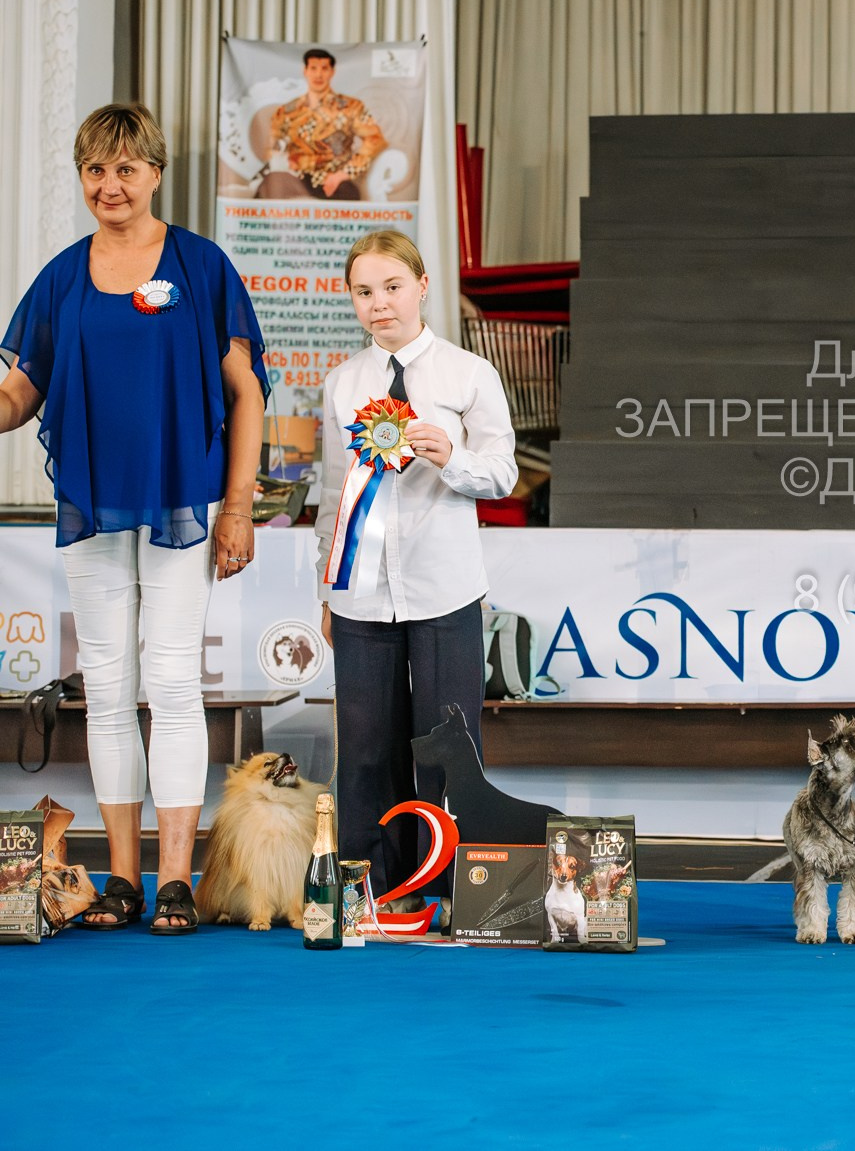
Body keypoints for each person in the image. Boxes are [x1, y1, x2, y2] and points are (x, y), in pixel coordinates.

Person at [0, 103, 268, 935]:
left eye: (126, 169)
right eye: (94, 170)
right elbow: (17, 394)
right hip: (92, 508)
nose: (109, 185)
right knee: (109, 693)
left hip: (185, 506)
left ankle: (177, 881)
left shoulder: (200, 264)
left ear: (155, 173)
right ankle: (121, 880)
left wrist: (237, 507)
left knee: (173, 685)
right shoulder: (62, 276)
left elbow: (248, 392)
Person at [315, 230, 517, 905]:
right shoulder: (342, 385)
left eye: (392, 287)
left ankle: (465, 887)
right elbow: (331, 496)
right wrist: (328, 584)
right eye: (364, 292)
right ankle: (376, 892)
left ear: (423, 285)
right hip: (362, 598)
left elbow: (504, 473)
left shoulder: (468, 374)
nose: (379, 304)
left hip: (446, 591)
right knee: (366, 752)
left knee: (447, 747)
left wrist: (450, 457)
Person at [258, 48, 388, 201]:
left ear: (332, 72)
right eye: (313, 68)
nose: (318, 75)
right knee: (272, 183)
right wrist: (283, 162)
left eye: (324, 68)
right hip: (296, 178)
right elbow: (273, 147)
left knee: (345, 196)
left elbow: (375, 140)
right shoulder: (286, 111)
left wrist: (344, 174)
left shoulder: (351, 107)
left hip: (334, 180)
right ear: (305, 70)